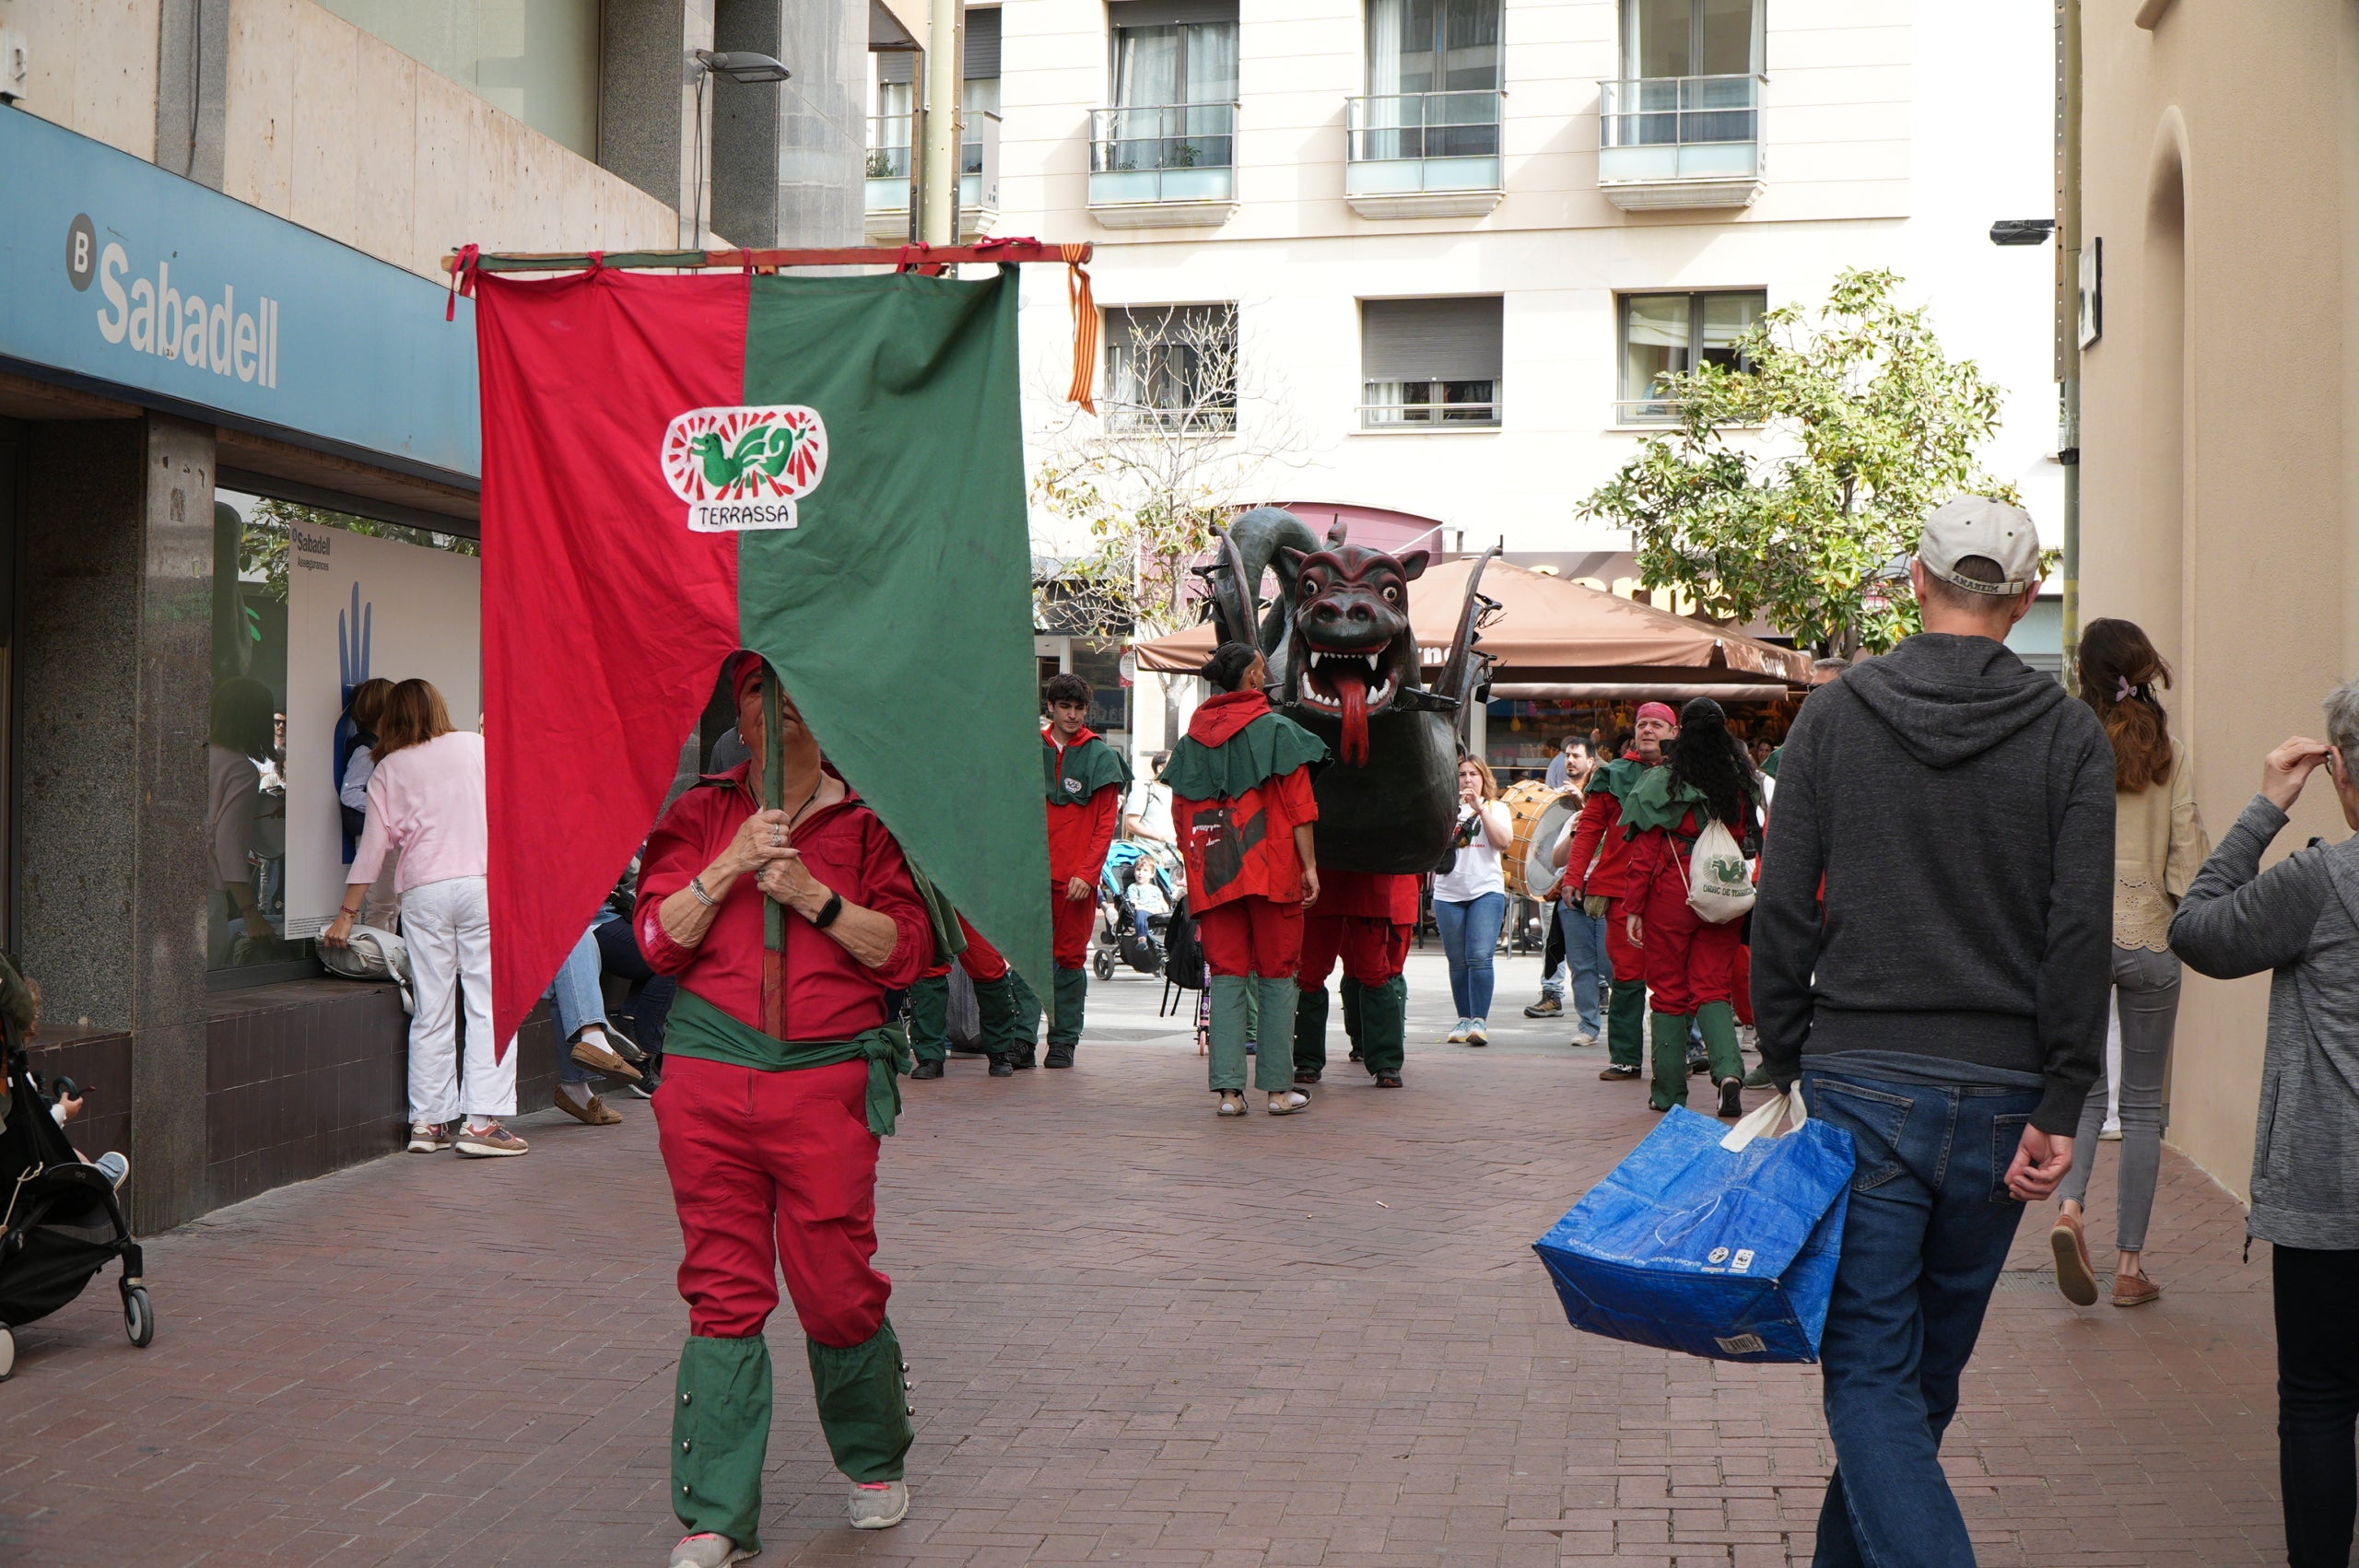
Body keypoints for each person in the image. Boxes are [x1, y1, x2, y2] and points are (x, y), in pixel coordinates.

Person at [1753, 495, 2110, 1568]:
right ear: (2028, 597)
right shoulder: (2066, 733)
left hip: (1860, 1077)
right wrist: (2062, 1097)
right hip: (2003, 1090)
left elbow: (1782, 904)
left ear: (1914, 581)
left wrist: (1784, 1056)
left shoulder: (1836, 712)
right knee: (1916, 1385)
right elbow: (2078, 927)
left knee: (1871, 1379)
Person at [634, 653, 933, 1559]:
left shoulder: (872, 823)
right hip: (706, 1079)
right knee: (722, 1289)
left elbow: (905, 953)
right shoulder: (699, 813)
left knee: (836, 1283)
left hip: (826, 1083)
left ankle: (875, 1456)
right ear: (740, 709)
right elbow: (655, 941)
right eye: (761, 689)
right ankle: (717, 1515)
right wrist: (728, 866)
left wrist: (813, 895)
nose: (780, 708)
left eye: (799, 691)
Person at [2169, 699, 2359, 1568]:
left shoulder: (2319, 885)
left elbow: (2198, 929)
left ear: (2344, 777)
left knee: (2318, 1401)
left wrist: (2266, 806)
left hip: (2330, 1195)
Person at [2048, 618, 2211, 1308]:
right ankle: (2129, 1267)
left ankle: (2069, 1209)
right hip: (2151, 938)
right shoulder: (2171, 754)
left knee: (2085, 1093)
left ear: (2083, 674)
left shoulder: (2065, 743)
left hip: (2082, 941)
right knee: (2143, 1109)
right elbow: (2189, 863)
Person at [322, 680, 522, 1158]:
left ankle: (429, 1124)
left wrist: (347, 916)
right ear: (439, 706)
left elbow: (372, 850)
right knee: (487, 1003)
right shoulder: (475, 747)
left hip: (424, 893)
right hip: (479, 885)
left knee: (432, 1006)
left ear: (391, 717)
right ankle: (481, 1123)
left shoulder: (385, 767)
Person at [1165, 642, 1323, 1117]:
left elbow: (1180, 818)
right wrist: (1310, 867)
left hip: (1213, 873)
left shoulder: (1191, 741)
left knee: (1229, 977)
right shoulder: (1278, 730)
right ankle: (1277, 1091)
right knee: (1278, 976)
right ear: (1254, 678)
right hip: (1273, 869)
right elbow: (1300, 809)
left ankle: (1230, 1095)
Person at [1620, 698, 1761, 1117]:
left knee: (1668, 992)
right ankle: (1729, 1073)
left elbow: (1643, 855)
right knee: (1713, 988)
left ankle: (1668, 1093)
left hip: (1671, 893)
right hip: (1722, 892)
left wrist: (1633, 908)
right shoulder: (1739, 781)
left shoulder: (1661, 780)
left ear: (1680, 730)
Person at [1018, 673, 1130, 1070]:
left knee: (1068, 961)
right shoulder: (1029, 749)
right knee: (1027, 960)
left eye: (1079, 707)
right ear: (1051, 707)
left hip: (1076, 881)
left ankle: (1063, 1041)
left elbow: (1105, 823)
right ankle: (1021, 1041)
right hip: (1030, 877)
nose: (1072, 714)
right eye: (1065, 706)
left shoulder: (1101, 755)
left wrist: (1087, 872)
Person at [1563, 705, 1679, 1080]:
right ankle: (1627, 1058)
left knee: (1675, 975)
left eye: (1656, 725)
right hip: (1619, 890)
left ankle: (1683, 1054)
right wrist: (1572, 878)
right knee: (1627, 977)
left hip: (1674, 891)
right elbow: (1589, 831)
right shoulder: (1611, 775)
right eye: (1642, 724)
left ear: (1673, 732)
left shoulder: (1689, 774)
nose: (1647, 730)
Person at [1434, 755, 1512, 1046]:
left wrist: (1480, 810)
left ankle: (1479, 1020)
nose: (1467, 779)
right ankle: (1463, 1019)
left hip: (1485, 890)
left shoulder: (1496, 808)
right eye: (1462, 774)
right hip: (1447, 892)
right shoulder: (1445, 810)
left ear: (1484, 779)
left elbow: (1504, 842)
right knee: (1457, 960)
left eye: (1474, 774)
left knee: (1479, 956)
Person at [544, 920, 650, 1129]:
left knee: (578, 936)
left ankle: (594, 1034)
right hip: (487, 938)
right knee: (573, 939)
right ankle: (595, 1033)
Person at [1526, 737, 1600, 1027]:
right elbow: (1545, 846)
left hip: (1593, 885)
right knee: (1551, 940)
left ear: (1590, 762)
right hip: (1557, 882)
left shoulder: (1600, 796)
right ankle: (1552, 993)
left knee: (1596, 948)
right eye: (1566, 756)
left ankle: (1600, 995)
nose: (1569, 761)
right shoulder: (1555, 797)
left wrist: (1583, 804)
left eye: (1576, 756)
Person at [207, 676, 280, 966]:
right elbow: (227, 843)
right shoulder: (239, 769)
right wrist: (250, 912)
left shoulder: (188, 755)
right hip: (207, 893)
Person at [907, 912, 1027, 1079]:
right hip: (930, 890)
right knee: (928, 966)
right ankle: (929, 1056)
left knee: (988, 965)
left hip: (970, 893)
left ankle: (1000, 1051)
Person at [1121, 752, 1175, 845]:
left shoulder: (1176, 792)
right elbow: (1131, 824)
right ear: (1160, 768)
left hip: (1173, 855)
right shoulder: (1144, 790)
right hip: (1149, 854)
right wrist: (1161, 837)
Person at [1122, 856, 1171, 942]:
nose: (1140, 873)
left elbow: (1163, 903)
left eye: (1145, 870)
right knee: (1141, 913)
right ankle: (1142, 937)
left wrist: (1164, 909)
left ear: (1152, 874)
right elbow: (1135, 905)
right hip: (1144, 912)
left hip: (1158, 913)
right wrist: (1151, 910)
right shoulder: (1133, 887)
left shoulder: (1155, 889)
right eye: (1138, 869)